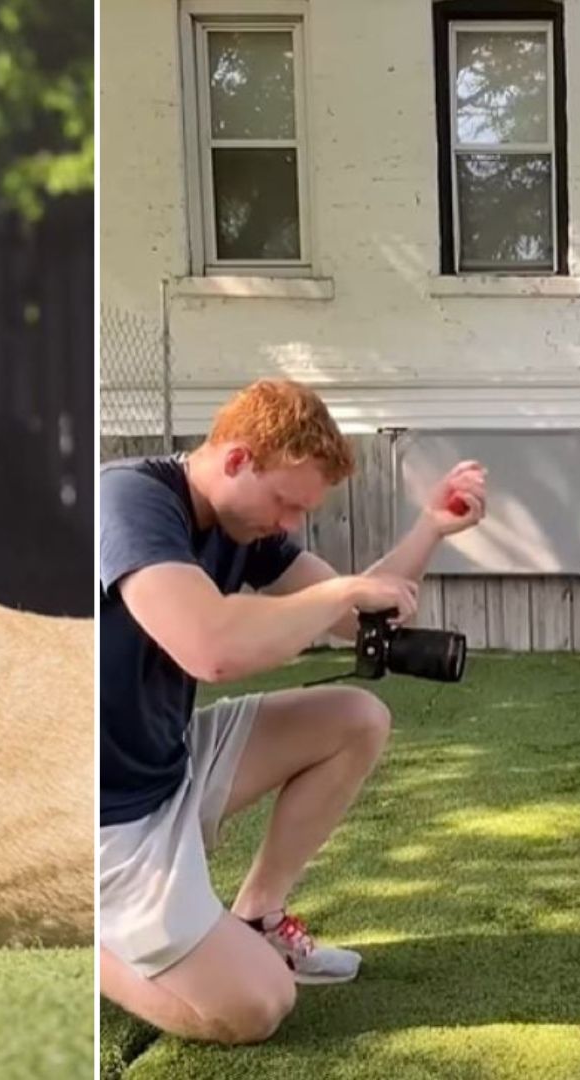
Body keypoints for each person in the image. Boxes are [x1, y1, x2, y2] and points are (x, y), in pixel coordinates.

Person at [97, 378, 487, 1044]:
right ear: (239, 458)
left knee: (356, 719)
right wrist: (340, 590)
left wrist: (430, 529)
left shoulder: (242, 523)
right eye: (285, 503)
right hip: (104, 814)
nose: (289, 524)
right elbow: (209, 648)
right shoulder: (127, 498)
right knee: (256, 1008)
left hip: (169, 760)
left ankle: (258, 916)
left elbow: (357, 613)